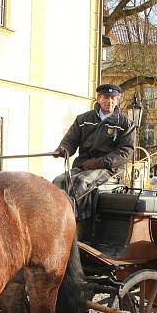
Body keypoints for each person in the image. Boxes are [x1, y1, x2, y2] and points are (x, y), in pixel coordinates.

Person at [52, 83, 136, 224]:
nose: (110, 101)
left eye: (113, 98)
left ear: (118, 99)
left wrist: (100, 162)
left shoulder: (126, 124)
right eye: (106, 97)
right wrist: (62, 149)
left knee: (80, 182)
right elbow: (70, 140)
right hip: (83, 166)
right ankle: (54, 218)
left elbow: (125, 152)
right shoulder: (83, 119)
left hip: (109, 170)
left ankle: (77, 223)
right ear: (99, 98)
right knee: (58, 181)